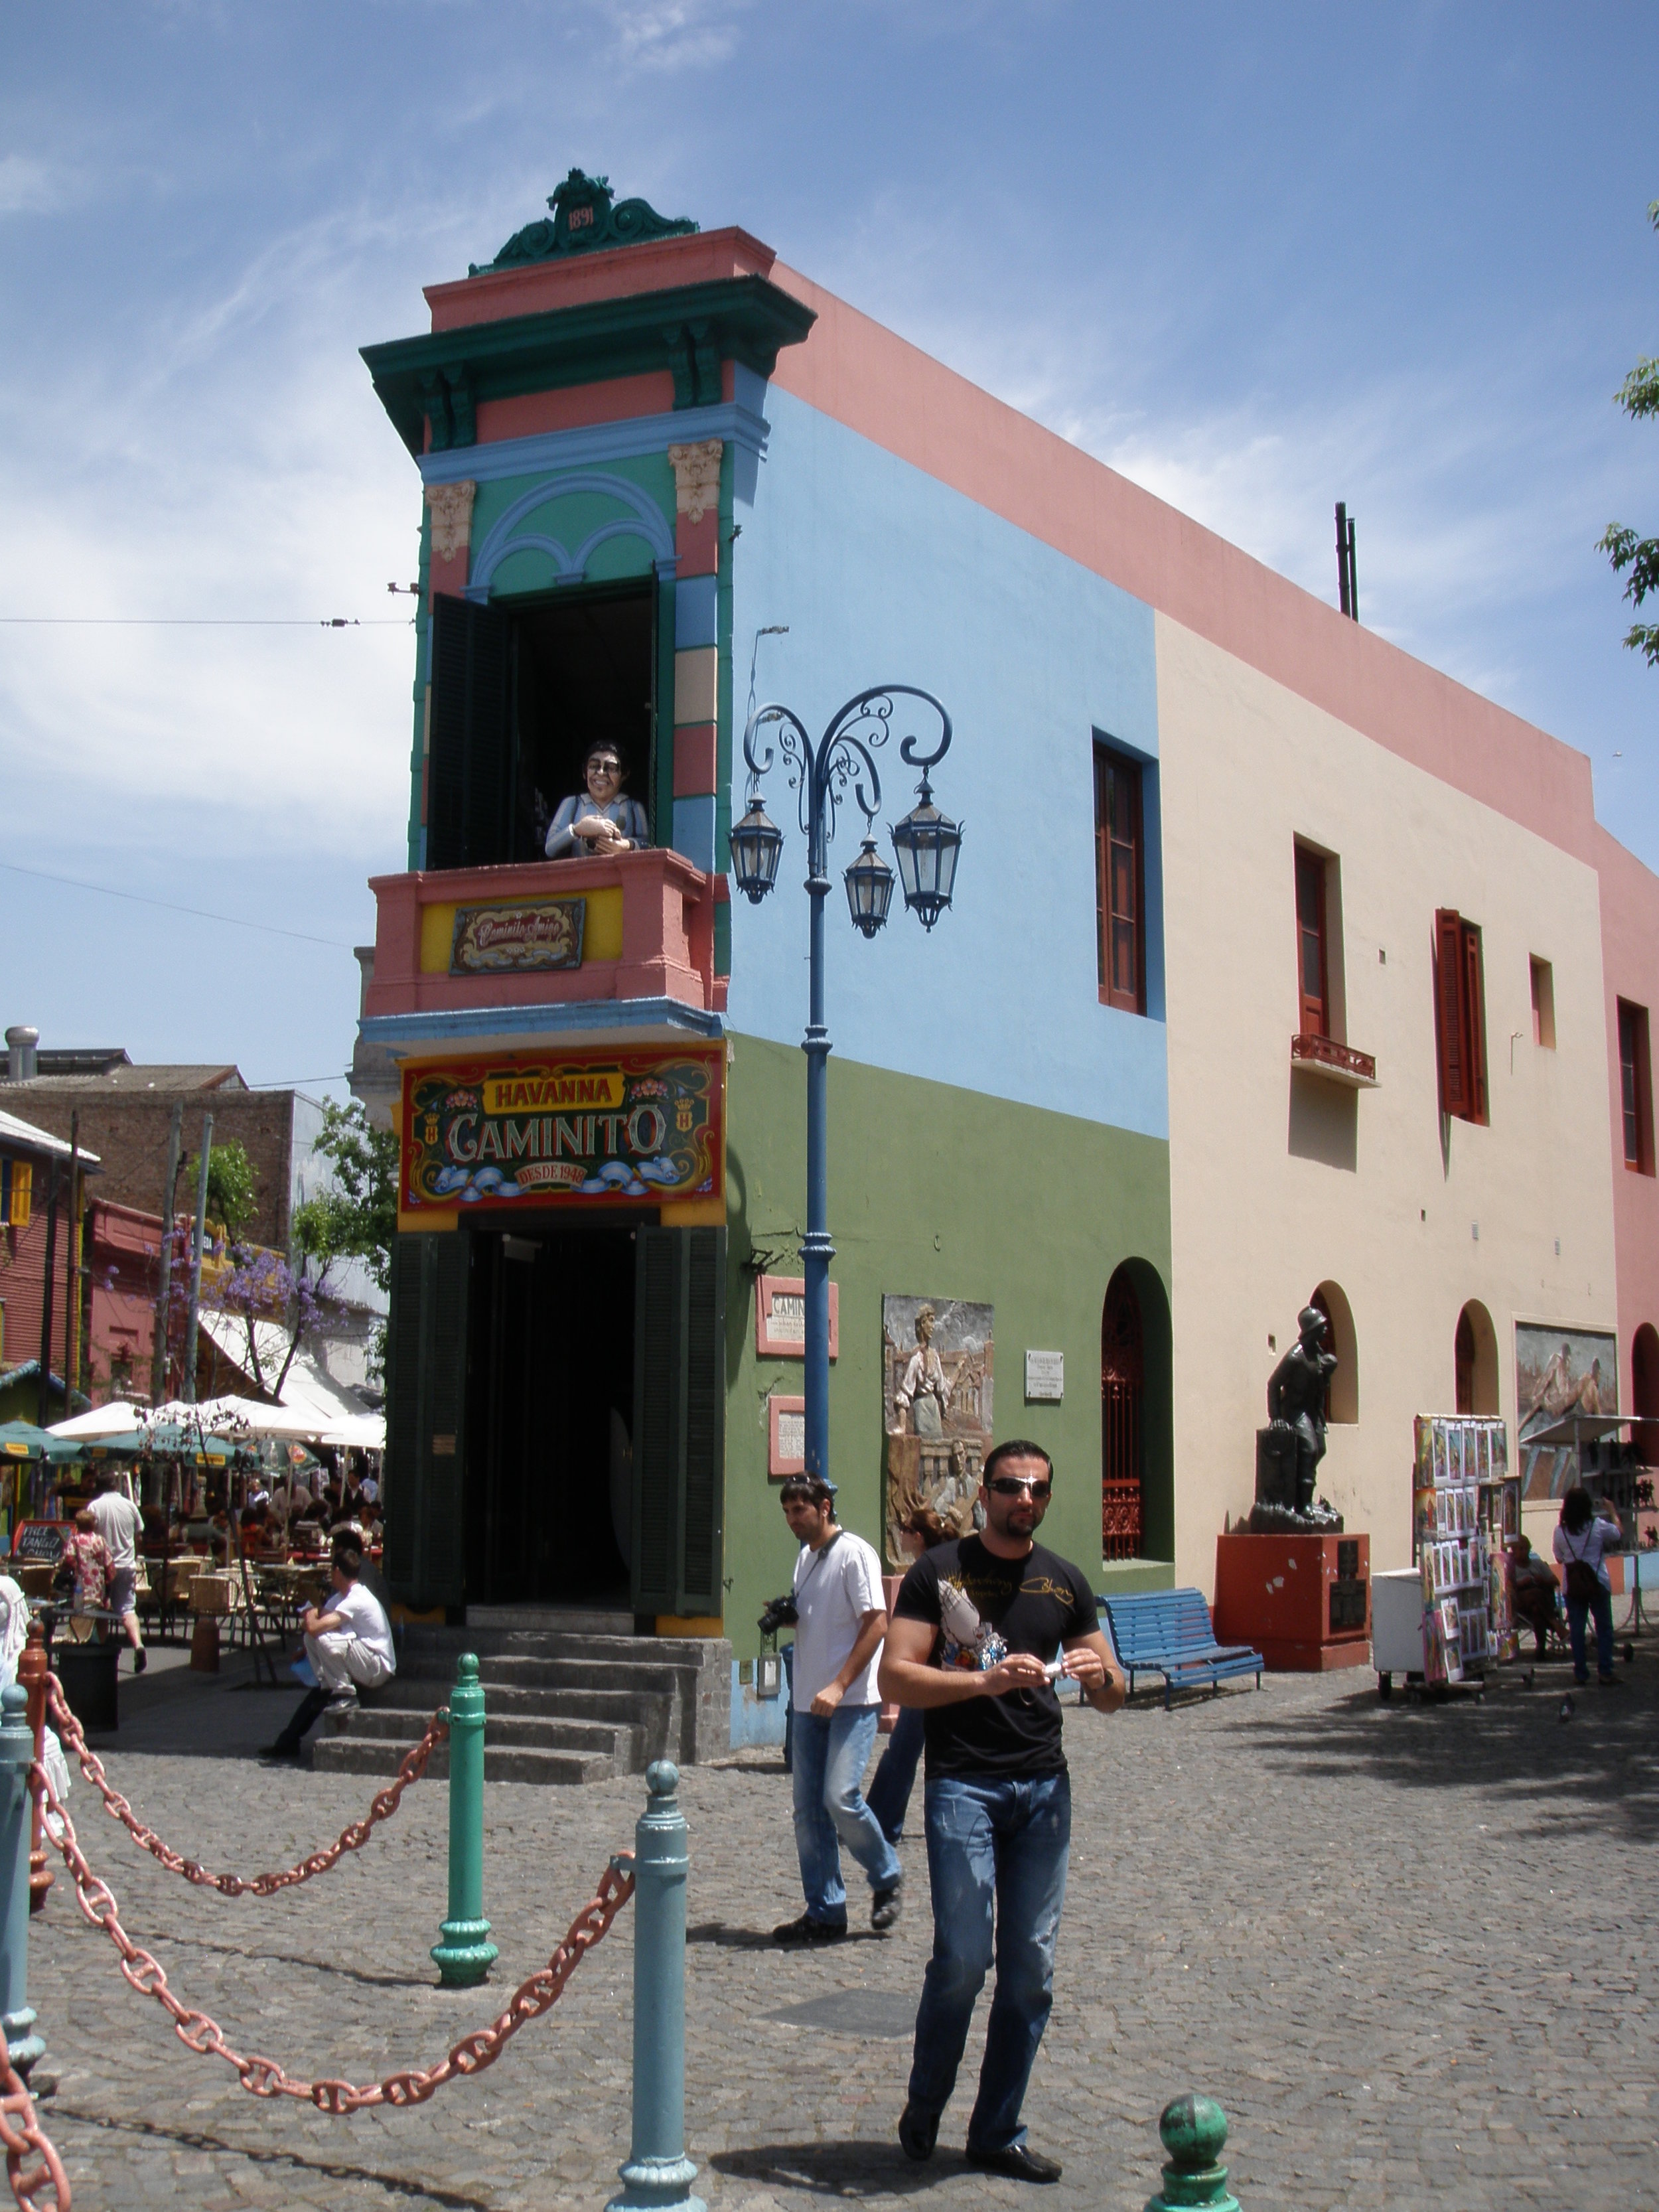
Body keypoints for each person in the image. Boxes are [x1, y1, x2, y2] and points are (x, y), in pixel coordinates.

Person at [879, 1439, 1125, 2185]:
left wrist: (1101, 1673)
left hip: (1043, 1791)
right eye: (1011, 1487)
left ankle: (995, 2131)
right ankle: (926, 2102)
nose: (1025, 1499)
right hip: (964, 1788)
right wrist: (984, 1684)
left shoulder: (1064, 1581)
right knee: (962, 1959)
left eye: (1037, 1490)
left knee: (1029, 1973)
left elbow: (1114, 1692)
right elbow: (898, 1674)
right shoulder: (938, 1573)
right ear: (983, 1493)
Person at [771, 1475, 902, 1945]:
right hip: (809, 1701)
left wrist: (840, 1682)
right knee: (808, 1812)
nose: (792, 1520)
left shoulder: (856, 1554)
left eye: (799, 1511)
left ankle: (886, 1874)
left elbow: (877, 1623)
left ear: (825, 1507)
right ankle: (825, 1910)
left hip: (851, 1701)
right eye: (787, 1512)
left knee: (840, 1797)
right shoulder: (805, 1557)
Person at [261, 1537, 397, 1761]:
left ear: (337, 1571)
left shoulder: (358, 1597)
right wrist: (314, 1616)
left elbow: (315, 1624)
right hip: (362, 1657)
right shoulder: (341, 1597)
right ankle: (328, 1686)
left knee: (323, 1639)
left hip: (376, 1664)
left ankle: (345, 1693)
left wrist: (311, 1614)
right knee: (313, 1640)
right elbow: (316, 1620)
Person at [865, 1507, 946, 1848]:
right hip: (939, 1673)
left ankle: (882, 1822)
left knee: (902, 1752)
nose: (900, 1536)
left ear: (918, 1537)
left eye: (905, 1530)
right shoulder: (947, 1566)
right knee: (907, 1751)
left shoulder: (927, 1573)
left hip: (928, 1675)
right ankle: (879, 1820)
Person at [1553, 1484, 1624, 1688]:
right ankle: (1605, 1671)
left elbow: (1558, 1558)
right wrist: (1612, 1511)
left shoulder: (1560, 1532)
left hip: (1573, 1586)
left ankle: (1581, 1673)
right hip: (1598, 1582)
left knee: (1577, 1629)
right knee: (1604, 1628)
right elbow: (1618, 1533)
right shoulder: (1598, 1526)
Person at [544, 742, 650, 860]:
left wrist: (627, 845)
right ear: (584, 773)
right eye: (594, 766)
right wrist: (577, 829)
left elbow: (648, 844)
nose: (601, 773)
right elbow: (550, 848)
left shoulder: (633, 807)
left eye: (611, 768)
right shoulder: (573, 804)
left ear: (624, 775)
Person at [88, 1473, 147, 1674]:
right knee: (128, 1608)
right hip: (127, 1564)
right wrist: (136, 1557)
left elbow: (90, 1534)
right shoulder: (130, 1506)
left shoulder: (95, 1506)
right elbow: (139, 1535)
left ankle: (101, 1652)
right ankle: (138, 1645)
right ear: (117, 1486)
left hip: (104, 1566)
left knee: (103, 1609)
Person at [63, 1508, 113, 1621]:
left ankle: (88, 1637)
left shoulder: (74, 1540)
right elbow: (109, 1565)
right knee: (97, 1616)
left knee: (81, 1617)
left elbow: (69, 1560)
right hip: (97, 1585)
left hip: (80, 1585)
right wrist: (108, 1590)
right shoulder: (101, 1540)